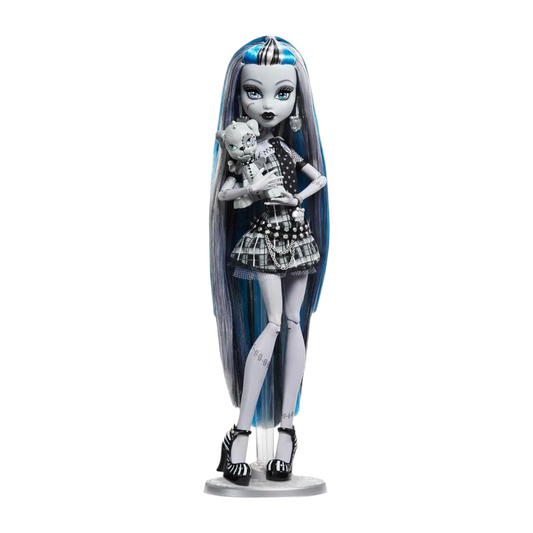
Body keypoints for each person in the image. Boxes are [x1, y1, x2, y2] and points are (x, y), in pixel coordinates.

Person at [209, 36, 330, 485]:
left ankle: (287, 432)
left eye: (283, 93)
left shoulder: (284, 148)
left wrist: (296, 198)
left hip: (296, 235)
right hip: (265, 238)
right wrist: (253, 189)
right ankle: (241, 431)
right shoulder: (243, 149)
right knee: (275, 322)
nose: (267, 105)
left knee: (294, 322)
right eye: (253, 91)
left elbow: (319, 179)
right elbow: (225, 193)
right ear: (238, 96)